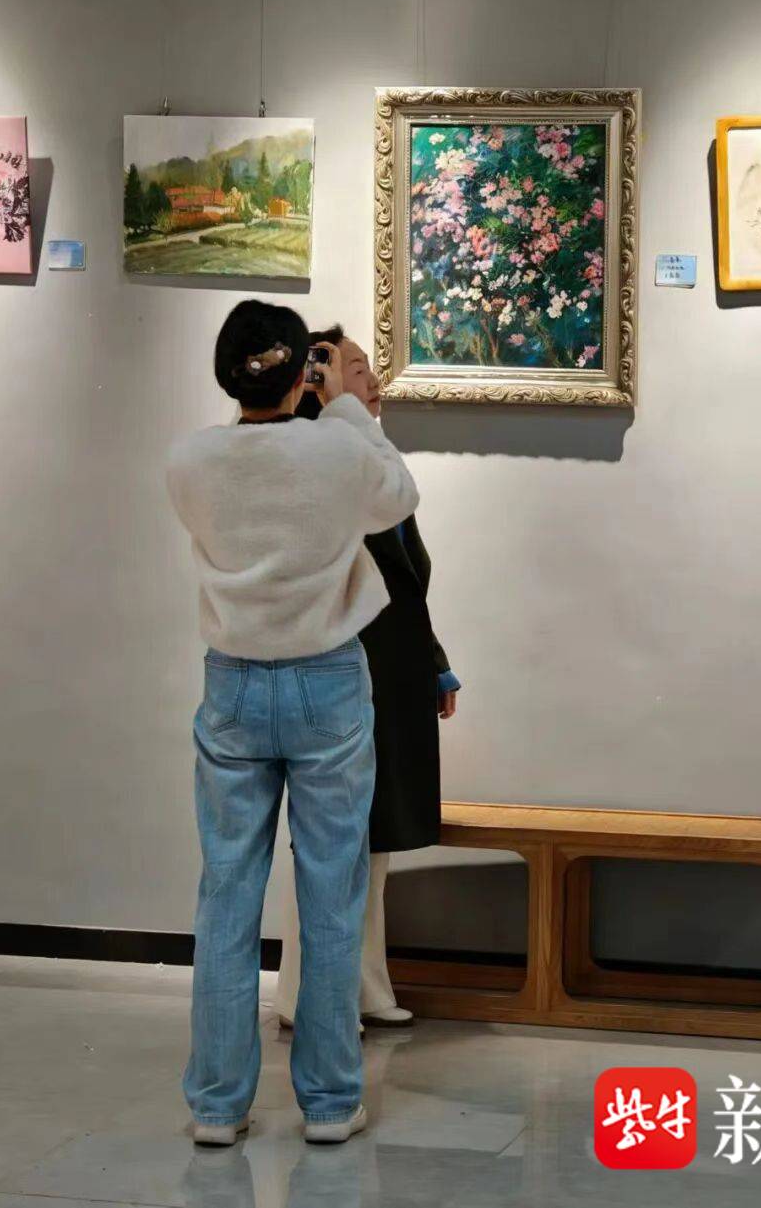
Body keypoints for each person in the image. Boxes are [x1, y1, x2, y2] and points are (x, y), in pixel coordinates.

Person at [166, 301, 419, 1147]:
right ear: (299, 372)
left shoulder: (188, 459)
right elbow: (398, 495)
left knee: (227, 893)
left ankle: (216, 1103)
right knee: (332, 892)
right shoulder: (338, 450)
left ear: (227, 372)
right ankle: (330, 1100)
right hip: (327, 678)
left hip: (233, 682)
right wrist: (341, 403)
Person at [275, 328, 460, 1029]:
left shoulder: (367, 457)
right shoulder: (319, 459)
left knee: (371, 838)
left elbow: (406, 583)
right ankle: (305, 995)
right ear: (316, 380)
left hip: (391, 670)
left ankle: (364, 986)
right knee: (332, 841)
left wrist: (434, 663)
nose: (373, 380)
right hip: (345, 669)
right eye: (355, 368)